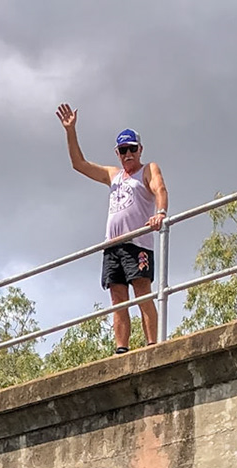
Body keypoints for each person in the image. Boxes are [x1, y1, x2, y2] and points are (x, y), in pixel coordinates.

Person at [56, 104, 168, 352]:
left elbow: (160, 189)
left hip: (137, 243)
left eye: (132, 149)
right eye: (122, 150)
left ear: (140, 149)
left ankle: (153, 344)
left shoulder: (148, 170)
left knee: (142, 291)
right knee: (117, 298)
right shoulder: (113, 175)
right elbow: (79, 164)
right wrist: (70, 130)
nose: (128, 154)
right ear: (117, 153)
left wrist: (160, 213)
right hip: (112, 245)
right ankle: (121, 348)